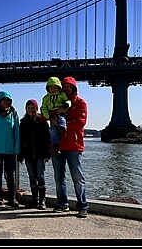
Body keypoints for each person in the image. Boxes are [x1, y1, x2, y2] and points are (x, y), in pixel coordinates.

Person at [50, 76, 89, 218]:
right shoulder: (56, 101)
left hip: (74, 145)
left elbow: (80, 122)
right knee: (59, 177)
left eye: (68, 86)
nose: (66, 88)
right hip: (58, 145)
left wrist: (63, 124)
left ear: (74, 88)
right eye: (63, 86)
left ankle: (83, 206)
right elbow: (50, 119)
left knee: (77, 177)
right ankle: (62, 204)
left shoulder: (80, 103)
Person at [17, 98, 51, 210]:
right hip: (28, 154)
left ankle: (42, 200)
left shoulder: (42, 122)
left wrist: (47, 153)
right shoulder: (23, 123)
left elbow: (48, 138)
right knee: (32, 177)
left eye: (33, 108)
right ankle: (34, 200)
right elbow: (21, 140)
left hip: (40, 154)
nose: (30, 110)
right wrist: (20, 155)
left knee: (40, 176)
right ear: (26, 109)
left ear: (36, 109)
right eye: (28, 108)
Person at [40, 77, 71, 155]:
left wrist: (67, 105)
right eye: (51, 87)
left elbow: (68, 101)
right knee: (53, 130)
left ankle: (62, 128)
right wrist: (49, 115)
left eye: (55, 87)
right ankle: (55, 146)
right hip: (52, 116)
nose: (53, 89)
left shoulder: (62, 94)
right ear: (48, 88)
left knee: (62, 119)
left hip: (61, 113)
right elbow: (43, 108)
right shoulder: (45, 98)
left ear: (58, 88)